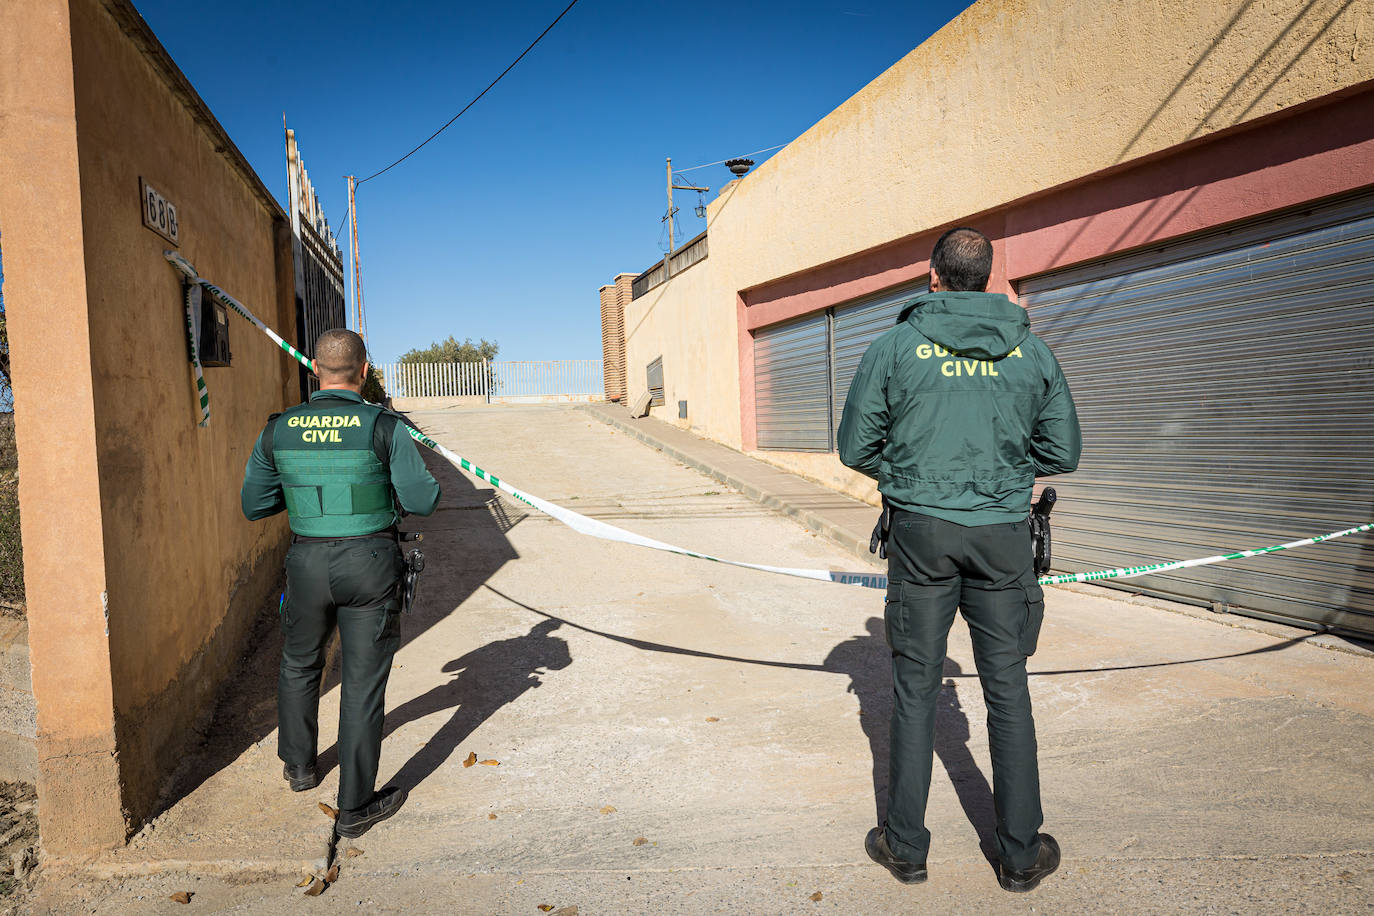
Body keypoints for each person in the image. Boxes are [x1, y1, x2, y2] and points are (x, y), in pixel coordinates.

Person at [837, 227, 1081, 892]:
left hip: (920, 534)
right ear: (988, 278)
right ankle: (1021, 853)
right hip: (1002, 535)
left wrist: (915, 471)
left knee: (915, 691)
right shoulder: (1030, 351)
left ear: (934, 276)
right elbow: (1063, 453)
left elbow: (854, 446)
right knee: (1008, 690)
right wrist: (998, 467)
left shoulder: (893, 347)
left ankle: (907, 848)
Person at [241, 328, 440, 838]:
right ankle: (354, 807)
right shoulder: (384, 427)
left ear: (314, 370)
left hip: (306, 563)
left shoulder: (279, 429)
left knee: (299, 662)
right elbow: (423, 500)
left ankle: (300, 768)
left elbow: (254, 505)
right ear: (365, 370)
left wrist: (309, 491)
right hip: (370, 563)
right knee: (362, 684)